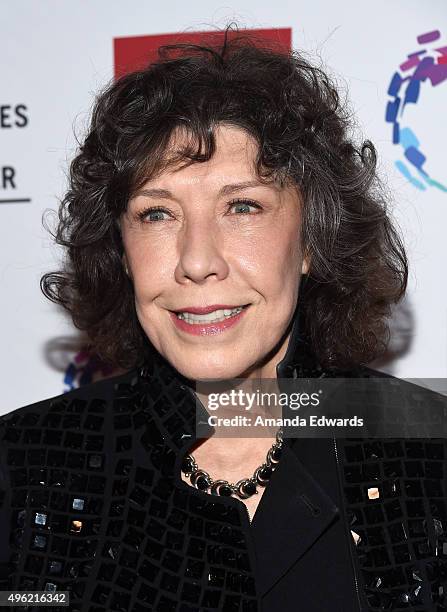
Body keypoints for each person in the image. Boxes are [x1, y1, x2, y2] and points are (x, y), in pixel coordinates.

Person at [0, 25, 446, 612]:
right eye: (157, 213)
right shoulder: (24, 465)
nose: (197, 262)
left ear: (311, 240)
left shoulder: (427, 451)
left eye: (242, 206)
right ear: (122, 253)